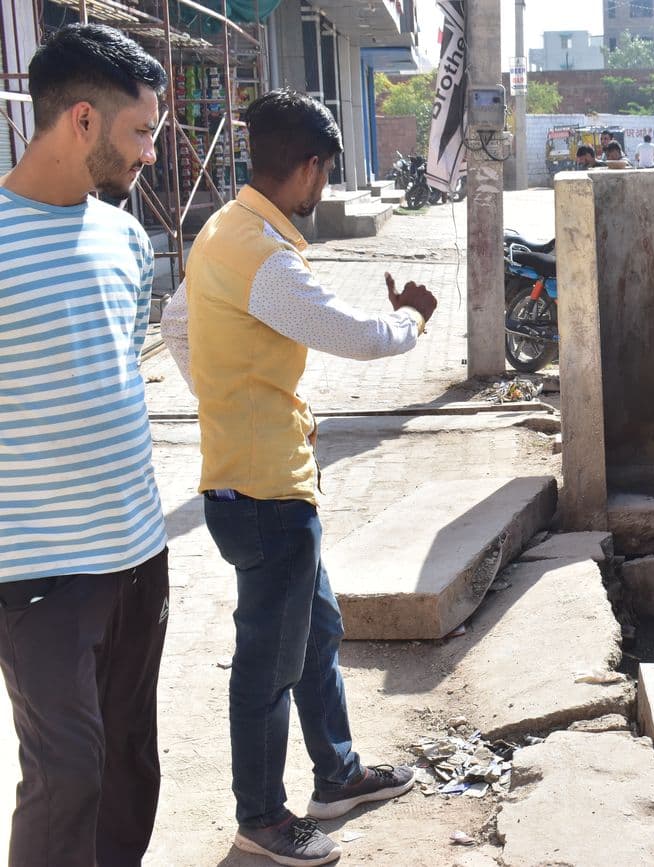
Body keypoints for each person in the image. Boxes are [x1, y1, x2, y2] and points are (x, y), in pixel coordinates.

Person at [161, 89, 437, 867]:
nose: (323, 191)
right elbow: (349, 333)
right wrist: (413, 320)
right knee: (268, 663)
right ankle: (263, 817)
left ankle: (338, 774)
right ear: (310, 167)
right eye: (324, 175)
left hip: (257, 483)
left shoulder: (223, 229)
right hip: (266, 497)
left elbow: (176, 324)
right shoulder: (265, 257)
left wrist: (224, 394)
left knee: (317, 635)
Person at [0, 23, 169, 867]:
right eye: (140, 132)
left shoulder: (127, 239)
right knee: (66, 775)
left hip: (138, 554)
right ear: (80, 121)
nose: (149, 153)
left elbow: (123, 372)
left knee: (130, 762)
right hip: (38, 572)